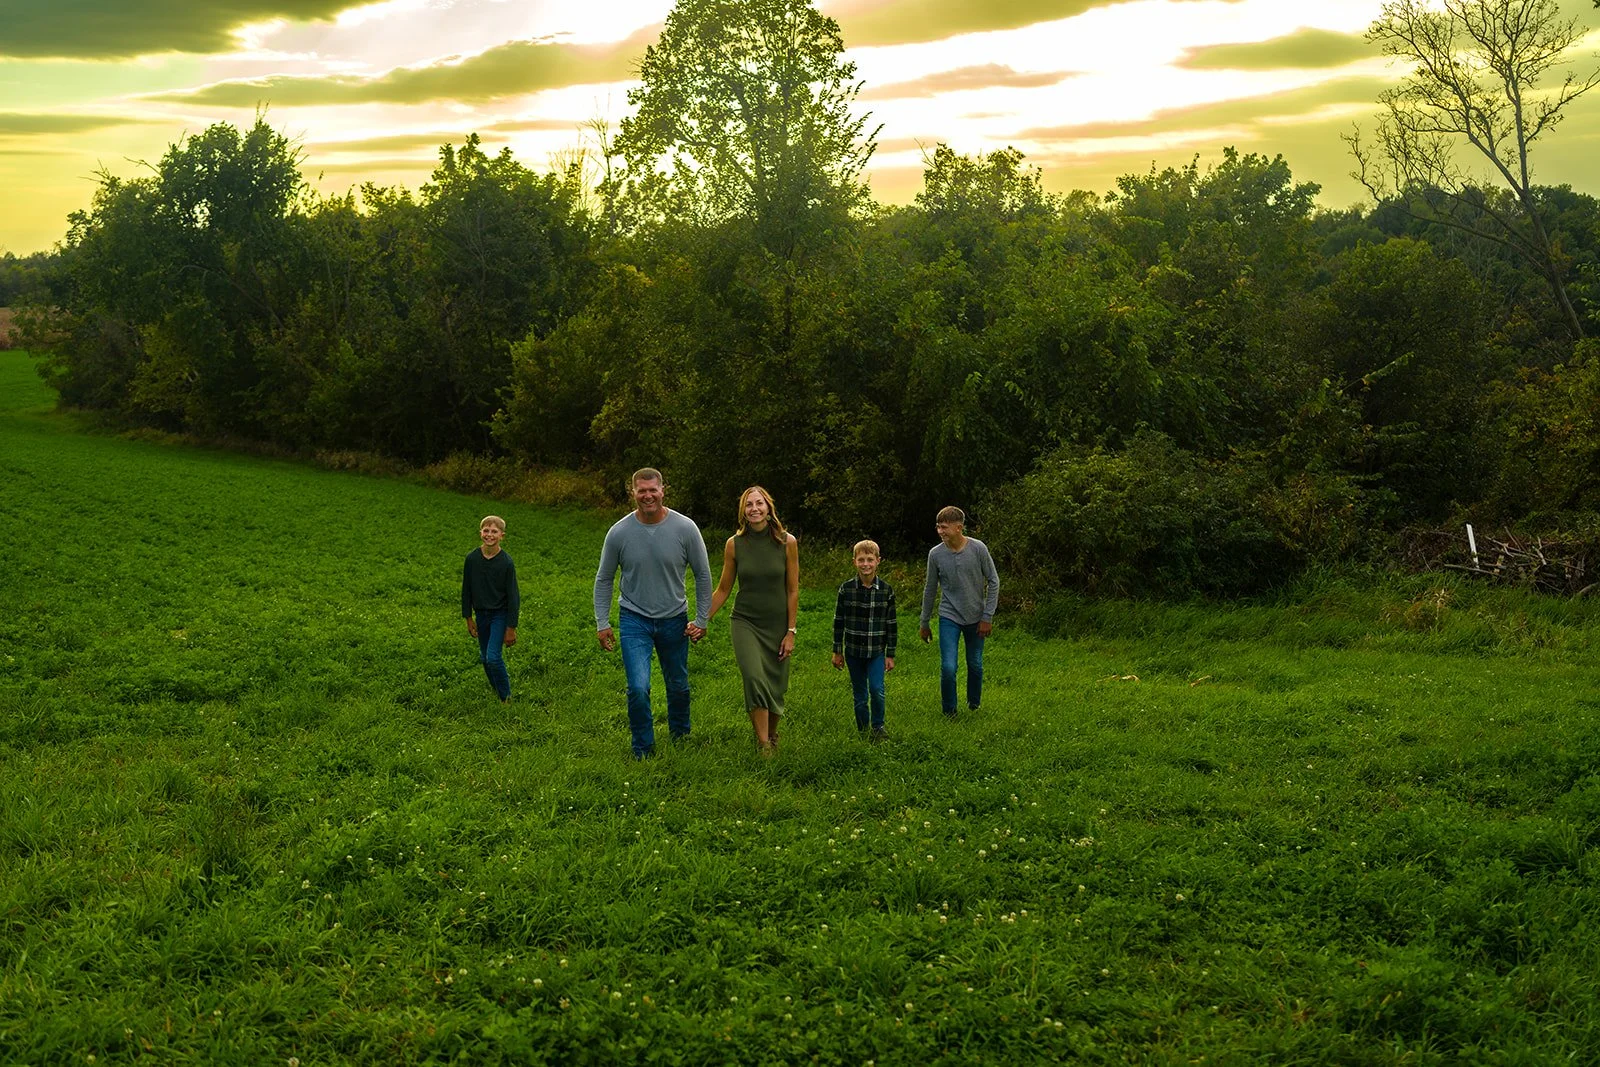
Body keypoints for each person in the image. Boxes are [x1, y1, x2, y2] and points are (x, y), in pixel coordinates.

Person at [594, 468, 714, 758]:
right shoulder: (619, 532)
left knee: (678, 685)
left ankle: (680, 736)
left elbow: (703, 575)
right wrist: (602, 621)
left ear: (663, 490)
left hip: (674, 618)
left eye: (652, 490)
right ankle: (643, 748)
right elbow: (604, 578)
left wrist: (702, 619)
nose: (647, 495)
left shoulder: (685, 529)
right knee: (638, 687)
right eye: (641, 490)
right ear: (632, 492)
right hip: (634, 618)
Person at [708, 486, 799, 754]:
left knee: (776, 683)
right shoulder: (734, 544)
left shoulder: (787, 542)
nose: (754, 509)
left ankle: (772, 734)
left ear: (769, 509)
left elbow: (792, 589)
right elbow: (723, 589)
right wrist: (702, 619)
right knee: (754, 677)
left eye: (759, 504)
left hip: (778, 623)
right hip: (745, 621)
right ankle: (763, 745)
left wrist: (790, 631)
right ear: (743, 512)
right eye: (749, 505)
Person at [919, 506, 999, 718]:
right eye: (938, 527)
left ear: (958, 528)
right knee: (948, 667)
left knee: (975, 664)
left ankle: (974, 704)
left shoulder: (978, 549)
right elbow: (930, 588)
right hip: (949, 615)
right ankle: (949, 711)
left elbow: (993, 580)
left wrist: (987, 616)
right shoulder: (935, 554)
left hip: (976, 616)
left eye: (944, 527)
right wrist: (924, 622)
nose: (940, 531)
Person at [832, 539, 897, 742]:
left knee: (877, 690)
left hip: (876, 651)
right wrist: (837, 650)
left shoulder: (886, 591)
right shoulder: (846, 589)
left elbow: (891, 624)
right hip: (853, 651)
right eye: (861, 560)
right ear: (854, 562)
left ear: (878, 561)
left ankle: (878, 726)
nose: (866, 564)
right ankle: (863, 730)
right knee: (860, 694)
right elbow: (839, 621)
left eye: (870, 560)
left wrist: (890, 654)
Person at [462, 514, 519, 703]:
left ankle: (506, 697)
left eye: (494, 531)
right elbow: (466, 589)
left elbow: (513, 597)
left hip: (499, 615)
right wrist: (468, 617)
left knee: (493, 657)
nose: (489, 535)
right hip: (481, 614)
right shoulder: (472, 559)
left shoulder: (506, 563)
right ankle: (497, 689)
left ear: (502, 535)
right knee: (485, 658)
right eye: (486, 530)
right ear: (480, 533)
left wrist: (511, 628)